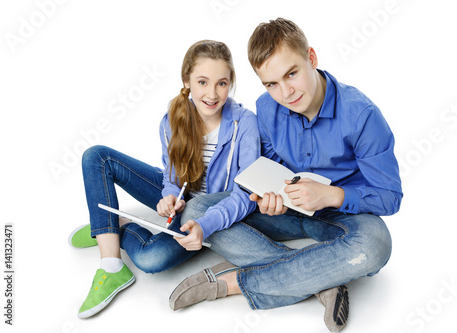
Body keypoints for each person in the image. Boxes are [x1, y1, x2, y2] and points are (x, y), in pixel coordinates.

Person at [168, 18, 403, 332]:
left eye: (291, 74)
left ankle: (233, 282)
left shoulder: (361, 116)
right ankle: (324, 278)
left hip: (343, 217)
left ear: (312, 58)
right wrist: (269, 197)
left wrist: (334, 195)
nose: (286, 92)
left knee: (376, 245)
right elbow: (270, 170)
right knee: (197, 210)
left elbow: (390, 196)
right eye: (271, 84)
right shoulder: (267, 108)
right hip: (289, 212)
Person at [68, 40, 260, 319]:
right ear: (187, 80)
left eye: (221, 83)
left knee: (150, 258)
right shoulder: (173, 119)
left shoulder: (245, 124)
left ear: (231, 83)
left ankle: (110, 227)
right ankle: (111, 264)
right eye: (203, 82)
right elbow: (170, 177)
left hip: (209, 213)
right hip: (185, 199)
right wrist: (169, 196)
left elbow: (245, 194)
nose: (212, 93)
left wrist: (205, 224)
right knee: (96, 156)